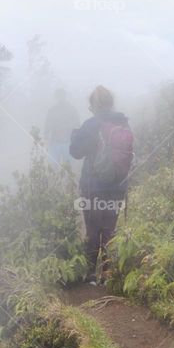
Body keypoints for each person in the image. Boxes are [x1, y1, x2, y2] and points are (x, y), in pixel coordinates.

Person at [69, 85, 134, 284]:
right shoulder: (123, 123)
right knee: (109, 229)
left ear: (93, 105)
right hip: (117, 186)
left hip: (93, 185)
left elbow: (75, 152)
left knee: (92, 228)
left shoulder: (91, 125)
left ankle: (90, 275)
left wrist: (75, 136)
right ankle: (107, 275)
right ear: (111, 102)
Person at [43, 88, 78, 170]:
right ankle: (55, 182)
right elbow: (47, 125)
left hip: (68, 142)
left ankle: (68, 182)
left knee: (68, 167)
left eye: (62, 95)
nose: (60, 98)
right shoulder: (52, 110)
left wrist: (75, 140)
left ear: (64, 96)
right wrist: (46, 137)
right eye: (59, 96)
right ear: (56, 97)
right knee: (53, 167)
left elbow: (77, 125)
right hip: (55, 142)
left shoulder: (72, 109)